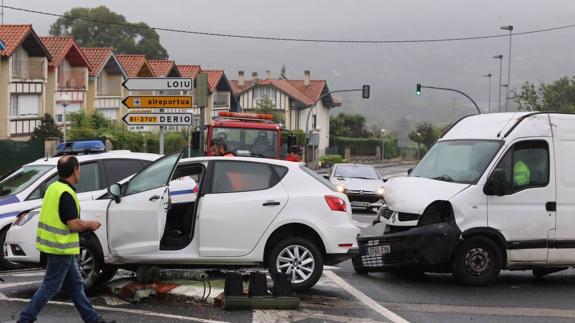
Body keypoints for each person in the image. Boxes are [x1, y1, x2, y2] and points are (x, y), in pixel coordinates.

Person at [18, 156, 114, 323]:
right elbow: (73, 224)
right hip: (61, 248)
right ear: (75, 170)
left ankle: (94, 320)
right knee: (50, 286)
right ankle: (26, 319)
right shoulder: (66, 193)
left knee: (76, 286)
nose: (80, 172)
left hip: (59, 247)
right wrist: (90, 224)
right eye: (79, 169)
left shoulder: (53, 188)